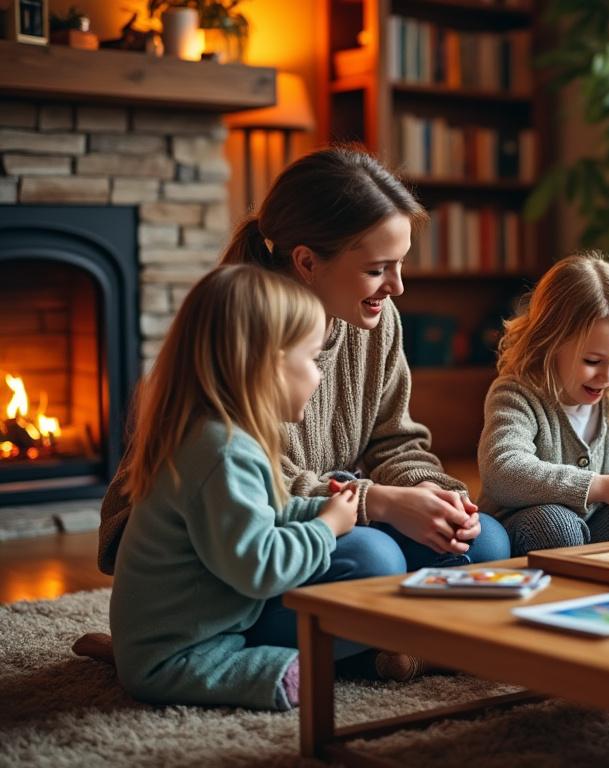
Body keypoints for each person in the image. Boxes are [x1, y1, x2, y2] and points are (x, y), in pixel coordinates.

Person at [97, 147, 510, 582]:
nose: (398, 286)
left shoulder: (377, 319)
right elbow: (250, 486)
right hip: (223, 546)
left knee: (484, 543)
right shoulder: (245, 331)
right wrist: (379, 502)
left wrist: (431, 493)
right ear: (307, 262)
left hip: (320, 510)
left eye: (400, 263)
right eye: (377, 269)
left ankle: (371, 642)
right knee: (373, 558)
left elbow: (394, 440)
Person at [110, 265, 360, 710]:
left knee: (358, 567)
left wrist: (322, 510)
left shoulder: (218, 436)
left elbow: (262, 520)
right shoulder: (221, 452)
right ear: (265, 365)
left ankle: (123, 653)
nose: (319, 376)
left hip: (205, 627)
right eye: (313, 359)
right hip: (183, 652)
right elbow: (259, 566)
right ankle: (137, 663)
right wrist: (326, 529)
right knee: (303, 674)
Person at [478, 251, 609, 555]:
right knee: (556, 524)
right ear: (550, 343)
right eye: (593, 361)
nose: (606, 376)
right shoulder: (516, 394)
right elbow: (503, 471)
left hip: (592, 531)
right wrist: (597, 486)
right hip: (529, 524)